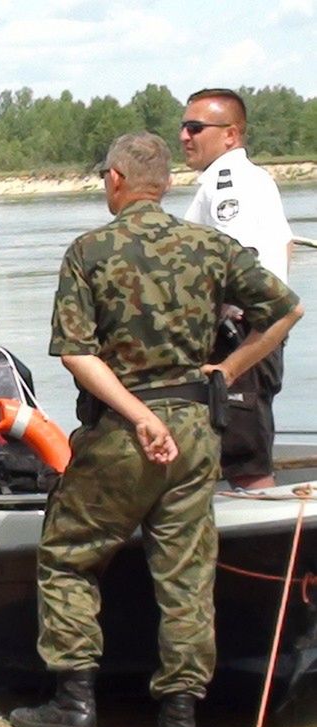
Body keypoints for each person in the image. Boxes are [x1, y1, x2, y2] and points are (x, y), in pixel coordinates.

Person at [8, 132, 302, 727]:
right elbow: (286, 309)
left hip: (122, 432)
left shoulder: (91, 251)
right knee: (187, 576)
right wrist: (228, 368)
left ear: (115, 180)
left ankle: (74, 704)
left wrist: (137, 414)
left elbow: (77, 355)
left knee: (68, 555)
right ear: (165, 183)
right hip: (197, 432)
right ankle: (179, 725)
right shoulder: (210, 246)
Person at [181, 87, 296, 489]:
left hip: (240, 335)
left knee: (244, 458)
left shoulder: (228, 183)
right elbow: (284, 248)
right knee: (237, 446)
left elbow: (236, 260)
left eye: (195, 127)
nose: (184, 136)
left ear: (231, 135)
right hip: (254, 334)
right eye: (183, 127)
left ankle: (264, 547)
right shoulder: (252, 179)